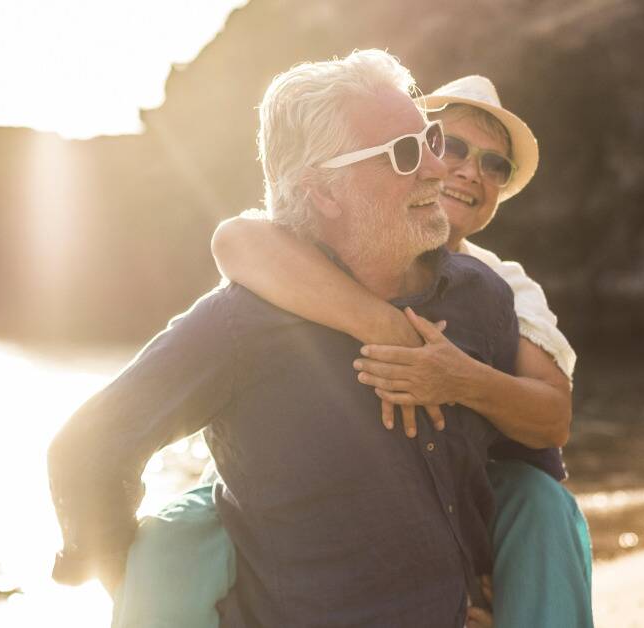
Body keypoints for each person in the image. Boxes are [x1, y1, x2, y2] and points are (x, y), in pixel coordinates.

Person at [49, 50, 561, 627]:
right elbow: (87, 451)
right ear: (324, 191)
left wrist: (491, 584)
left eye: (431, 139)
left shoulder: (483, 297)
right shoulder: (242, 326)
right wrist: (128, 578)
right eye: (406, 153)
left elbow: (518, 467)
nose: (439, 170)